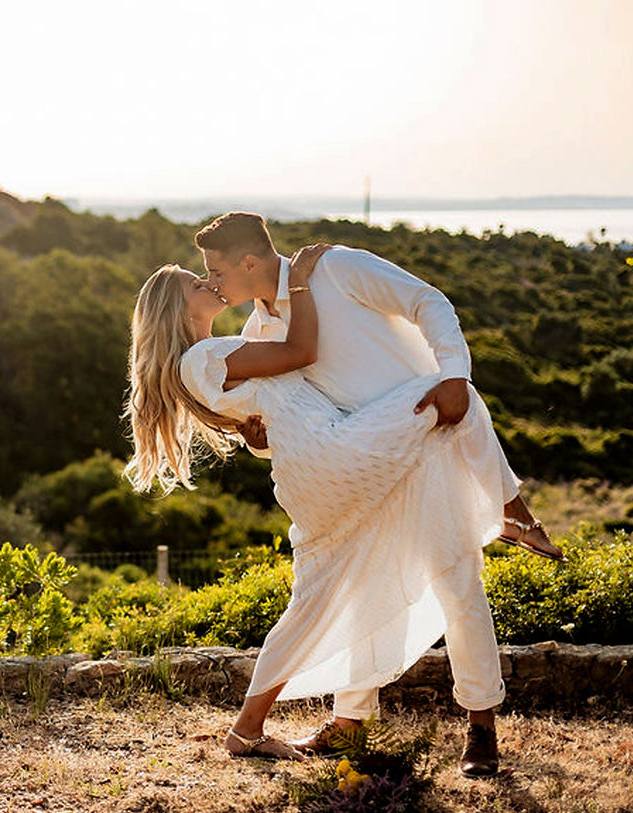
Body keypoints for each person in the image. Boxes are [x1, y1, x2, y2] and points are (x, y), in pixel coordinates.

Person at [124, 216, 560, 777]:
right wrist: (256, 437)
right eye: (202, 279)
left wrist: (453, 372)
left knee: (443, 585)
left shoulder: (338, 268)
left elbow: (430, 302)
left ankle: (466, 728)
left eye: (214, 271)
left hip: (409, 449)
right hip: (350, 459)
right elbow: (283, 396)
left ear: (248, 263)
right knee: (364, 579)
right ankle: (512, 510)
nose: (212, 283)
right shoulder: (256, 334)